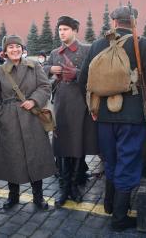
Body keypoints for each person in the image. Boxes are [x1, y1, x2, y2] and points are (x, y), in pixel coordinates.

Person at [79, 6, 146, 232]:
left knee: (111, 160)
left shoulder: (98, 45)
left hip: (103, 117)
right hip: (132, 117)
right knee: (128, 163)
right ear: (134, 21)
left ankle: (109, 205)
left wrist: (94, 107)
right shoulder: (144, 45)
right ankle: (119, 218)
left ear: (114, 22)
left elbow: (83, 81)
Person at [0, 34, 56, 210]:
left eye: (18, 47)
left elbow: (45, 87)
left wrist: (34, 101)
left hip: (32, 118)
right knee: (11, 158)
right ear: (5, 52)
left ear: (23, 49)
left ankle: (38, 197)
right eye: (10, 47)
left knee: (35, 156)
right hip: (9, 121)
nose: (15, 50)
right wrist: (0, 117)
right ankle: (13, 196)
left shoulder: (34, 66)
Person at [44, 16, 98, 207]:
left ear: (75, 30)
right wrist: (51, 68)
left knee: (78, 145)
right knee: (61, 146)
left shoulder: (86, 50)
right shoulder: (54, 52)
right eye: (60, 29)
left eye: (66, 29)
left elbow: (95, 72)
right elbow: (42, 70)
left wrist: (77, 74)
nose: (62, 33)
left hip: (80, 103)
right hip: (61, 104)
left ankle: (75, 185)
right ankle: (64, 186)